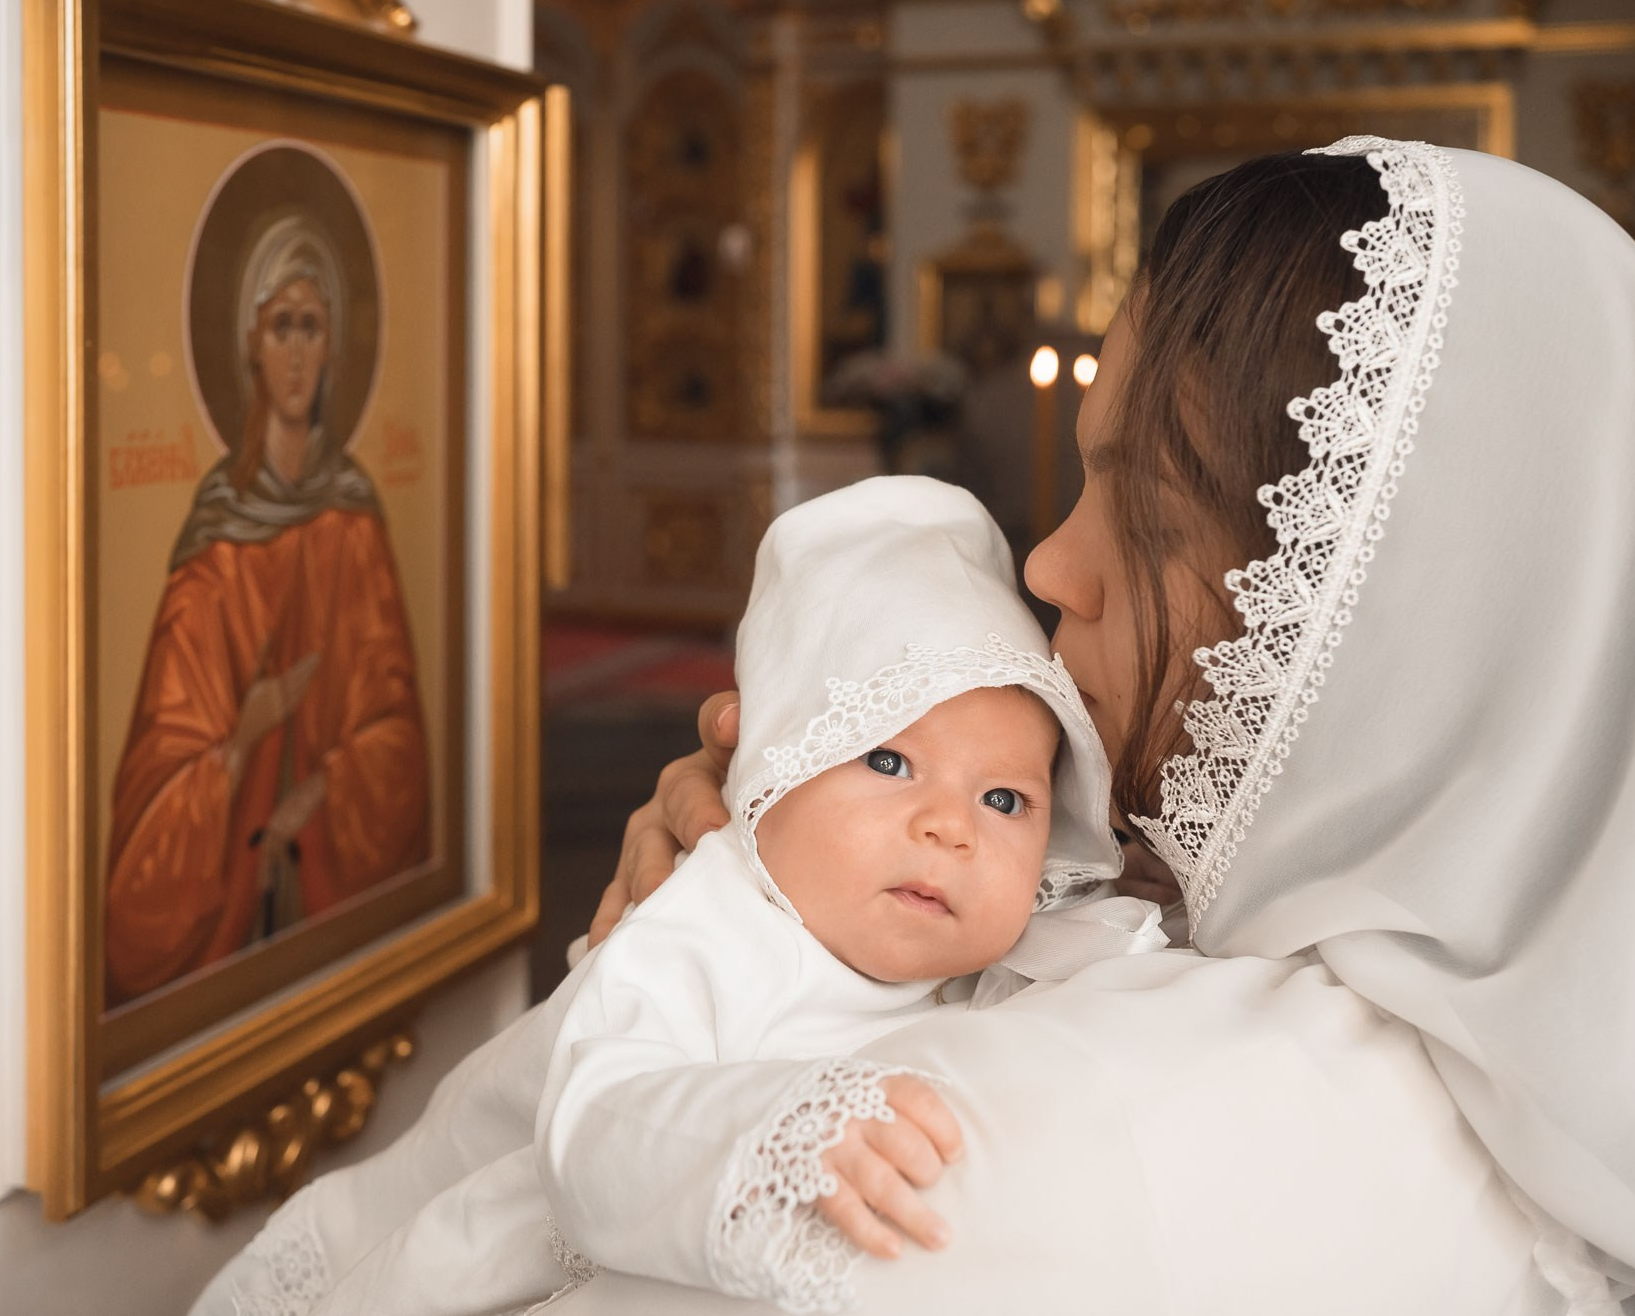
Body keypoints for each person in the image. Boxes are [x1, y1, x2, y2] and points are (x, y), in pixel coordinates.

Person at [553, 139, 1635, 1315]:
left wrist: (678, 1003)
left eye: (1146, 517)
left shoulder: (1035, 1138)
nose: (1049, 564)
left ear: (1377, 629)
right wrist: (784, 875)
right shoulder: (1569, 1054)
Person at [193, 478, 1155, 1316]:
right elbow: (596, 1122)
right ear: (770, 772)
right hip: (479, 1235)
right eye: (890, 759)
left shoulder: (995, 931)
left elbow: (1074, 951)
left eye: (1005, 799)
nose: (952, 826)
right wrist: (782, 1132)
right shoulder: (713, 924)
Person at [106, 214, 432, 1002]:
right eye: (279, 325)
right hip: (225, 907)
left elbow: (398, 735)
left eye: (311, 327)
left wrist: (317, 793)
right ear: (249, 342)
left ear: (332, 351)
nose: (294, 350)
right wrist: (240, 742)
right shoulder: (213, 553)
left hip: (316, 883)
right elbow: (154, 786)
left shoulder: (356, 526)